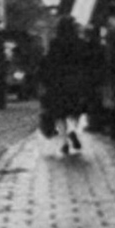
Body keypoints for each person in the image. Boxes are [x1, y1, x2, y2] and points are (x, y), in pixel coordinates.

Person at [37, 17, 90, 155]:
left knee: (60, 114)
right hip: (76, 83)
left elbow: (47, 63)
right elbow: (86, 63)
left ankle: (65, 141)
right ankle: (72, 131)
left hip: (58, 84)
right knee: (74, 111)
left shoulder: (55, 43)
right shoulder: (79, 43)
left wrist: (44, 80)